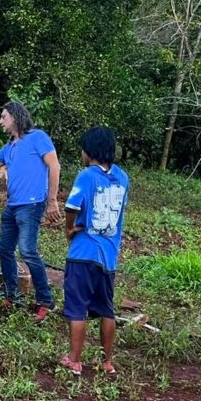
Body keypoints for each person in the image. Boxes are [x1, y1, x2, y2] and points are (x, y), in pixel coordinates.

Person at [0, 101, 61, 321]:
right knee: (4, 248)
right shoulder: (9, 148)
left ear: (16, 117)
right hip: (13, 206)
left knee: (27, 251)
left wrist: (52, 200)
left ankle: (46, 301)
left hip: (32, 205)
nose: (0, 121)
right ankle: (12, 295)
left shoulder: (37, 138)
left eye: (3, 117)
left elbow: (54, 166)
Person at [59, 127, 129, 376]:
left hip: (83, 252)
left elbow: (71, 206)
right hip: (108, 255)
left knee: (77, 308)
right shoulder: (122, 177)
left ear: (90, 151)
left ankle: (74, 359)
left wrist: (70, 228)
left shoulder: (86, 176)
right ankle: (106, 361)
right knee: (106, 309)